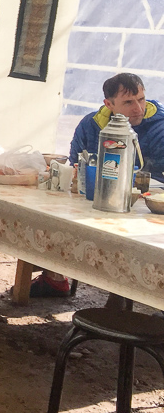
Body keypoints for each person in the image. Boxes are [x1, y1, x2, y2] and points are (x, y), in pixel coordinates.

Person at [32, 73, 164, 297]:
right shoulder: (90, 125)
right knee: (49, 215)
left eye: (141, 99)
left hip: (147, 208)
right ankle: (54, 278)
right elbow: (75, 165)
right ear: (109, 104)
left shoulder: (160, 128)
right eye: (128, 102)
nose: (138, 108)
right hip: (93, 199)